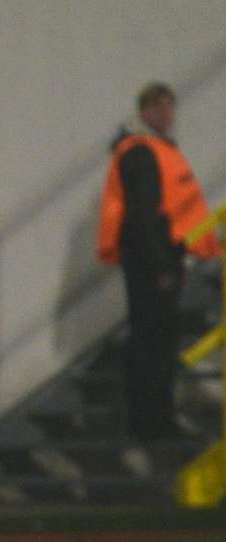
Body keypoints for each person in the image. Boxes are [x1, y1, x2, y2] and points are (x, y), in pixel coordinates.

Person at [96, 81, 222, 441]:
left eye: (169, 106)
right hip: (152, 262)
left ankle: (152, 421)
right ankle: (153, 423)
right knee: (154, 345)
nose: (166, 114)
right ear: (143, 112)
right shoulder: (142, 152)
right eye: (157, 107)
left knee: (155, 342)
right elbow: (144, 216)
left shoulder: (153, 148)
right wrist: (162, 267)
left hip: (158, 257)